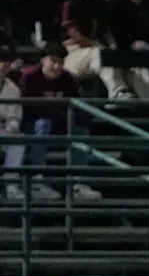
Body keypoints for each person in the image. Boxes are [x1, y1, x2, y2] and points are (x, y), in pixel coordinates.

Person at [19, 44, 101, 201]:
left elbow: (77, 106)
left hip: (60, 122)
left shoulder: (67, 78)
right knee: (42, 124)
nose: (57, 67)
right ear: (43, 60)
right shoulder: (29, 77)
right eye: (53, 61)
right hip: (32, 124)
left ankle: (78, 183)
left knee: (80, 130)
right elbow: (28, 109)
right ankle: (37, 181)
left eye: (61, 62)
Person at [0, 44, 25, 200]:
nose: (2, 66)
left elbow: (14, 116)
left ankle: (11, 185)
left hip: (3, 129)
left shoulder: (13, 88)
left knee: (18, 140)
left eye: (5, 63)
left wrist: (12, 128)